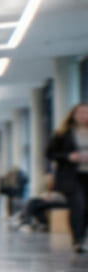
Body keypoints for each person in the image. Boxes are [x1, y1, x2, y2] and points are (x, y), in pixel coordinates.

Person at [44, 102, 88, 253]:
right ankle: (77, 240)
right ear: (73, 115)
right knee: (78, 206)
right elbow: (49, 153)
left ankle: (83, 237)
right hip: (71, 176)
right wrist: (68, 156)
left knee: (86, 208)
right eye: (80, 112)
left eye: (86, 113)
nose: (83, 116)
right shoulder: (63, 133)